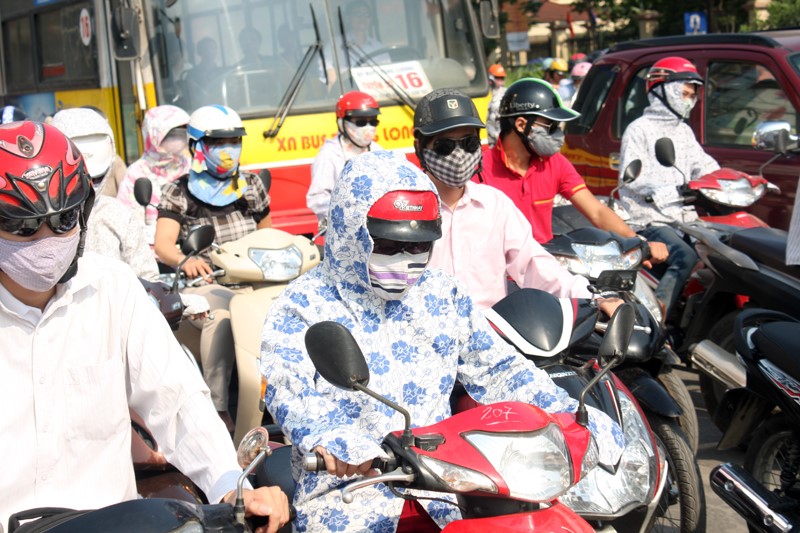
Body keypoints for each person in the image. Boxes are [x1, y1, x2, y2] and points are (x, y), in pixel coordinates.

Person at [259, 149, 624, 531]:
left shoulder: (443, 295)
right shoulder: (302, 305)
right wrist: (333, 438)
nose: (406, 258)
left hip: (448, 489)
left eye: (419, 246)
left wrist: (568, 412)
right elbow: (289, 390)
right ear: (352, 233)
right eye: (387, 245)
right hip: (349, 494)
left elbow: (500, 368)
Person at [0, 121, 289, 531]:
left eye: (63, 221)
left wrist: (230, 484)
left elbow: (176, 397)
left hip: (116, 522)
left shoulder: (112, 287)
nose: (47, 239)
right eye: (24, 227)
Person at [414, 88, 599, 310]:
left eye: (469, 143)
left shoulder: (494, 205)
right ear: (419, 147)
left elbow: (535, 265)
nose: (459, 154)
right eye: (445, 145)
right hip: (425, 337)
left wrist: (592, 297)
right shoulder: (404, 208)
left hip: (491, 336)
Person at [154, 104, 272, 432]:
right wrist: (186, 261)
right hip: (210, 283)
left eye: (234, 141)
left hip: (254, 280)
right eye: (218, 143)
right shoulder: (178, 191)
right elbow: (164, 245)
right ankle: (218, 409)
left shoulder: (251, 185)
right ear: (197, 147)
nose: (227, 150)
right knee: (221, 319)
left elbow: (269, 234)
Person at [478, 77, 669, 269]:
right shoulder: (480, 170)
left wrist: (637, 243)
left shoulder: (555, 163)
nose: (558, 135)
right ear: (521, 125)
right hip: (498, 274)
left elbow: (597, 211)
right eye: (550, 126)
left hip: (544, 270)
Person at [618, 56, 718, 317]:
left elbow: (704, 164)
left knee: (722, 249)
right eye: (683, 92)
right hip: (648, 219)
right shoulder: (638, 129)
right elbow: (634, 179)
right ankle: (654, 318)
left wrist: (727, 179)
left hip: (682, 217)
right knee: (685, 257)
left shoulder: (684, 131)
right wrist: (673, 189)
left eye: (692, 93)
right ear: (663, 90)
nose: (689, 99)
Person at [51, 108, 160, 282]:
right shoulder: (41, 220)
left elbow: (148, 277)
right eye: (79, 180)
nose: (89, 186)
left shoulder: (117, 213)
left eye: (97, 178)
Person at [306, 90, 382, 228]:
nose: (368, 128)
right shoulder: (329, 155)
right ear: (342, 123)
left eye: (373, 122)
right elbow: (317, 199)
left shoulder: (378, 151)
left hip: (378, 229)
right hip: (343, 234)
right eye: (360, 122)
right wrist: (349, 211)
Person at [116, 105, 191, 243]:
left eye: (183, 133)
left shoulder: (191, 166)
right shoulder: (136, 173)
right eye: (173, 135)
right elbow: (127, 222)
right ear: (154, 135)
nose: (179, 140)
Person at [323, 0, 388, 88]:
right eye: (358, 14)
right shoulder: (335, 44)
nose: (363, 19)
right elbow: (325, 67)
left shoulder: (379, 47)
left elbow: (388, 73)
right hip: (348, 92)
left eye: (366, 15)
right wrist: (331, 72)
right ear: (348, 18)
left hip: (377, 92)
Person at [485, 63, 506, 146]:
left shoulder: (506, 93)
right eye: (497, 78)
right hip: (491, 138)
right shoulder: (484, 93)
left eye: (502, 78)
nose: (500, 81)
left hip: (502, 136)